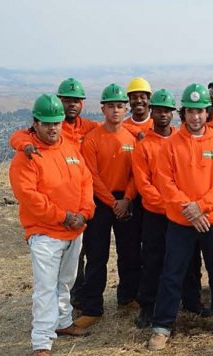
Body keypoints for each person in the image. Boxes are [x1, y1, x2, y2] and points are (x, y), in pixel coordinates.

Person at [148, 84, 213, 351]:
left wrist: (200, 208)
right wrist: (188, 210)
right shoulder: (171, 146)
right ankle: (162, 326)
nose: (196, 117)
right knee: (172, 273)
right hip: (181, 222)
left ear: (207, 113)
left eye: (200, 111)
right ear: (184, 113)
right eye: (191, 112)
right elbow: (164, 181)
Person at [9, 94, 95, 356]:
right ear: (34, 123)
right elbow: (30, 198)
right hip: (45, 233)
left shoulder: (69, 148)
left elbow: (85, 181)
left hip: (73, 230)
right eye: (46, 123)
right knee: (46, 288)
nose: (53, 128)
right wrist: (63, 216)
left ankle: (63, 321)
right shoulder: (26, 157)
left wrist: (84, 212)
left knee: (65, 281)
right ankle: (41, 342)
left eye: (56, 122)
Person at [132, 89, 208, 328]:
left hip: (184, 213)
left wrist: (183, 206)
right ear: (151, 112)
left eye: (167, 110)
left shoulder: (183, 139)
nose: (163, 114)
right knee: (153, 259)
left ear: (175, 113)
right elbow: (143, 184)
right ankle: (148, 306)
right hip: (157, 213)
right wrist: (169, 206)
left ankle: (192, 300)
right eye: (159, 110)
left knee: (190, 258)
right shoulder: (144, 144)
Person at [75, 84, 142, 328]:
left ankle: (127, 297)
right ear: (102, 108)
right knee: (96, 255)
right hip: (101, 202)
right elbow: (91, 175)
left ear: (126, 109)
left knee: (129, 253)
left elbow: (138, 173)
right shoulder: (92, 138)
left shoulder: (132, 138)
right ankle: (92, 307)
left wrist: (126, 199)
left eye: (120, 106)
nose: (116, 110)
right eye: (111, 106)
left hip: (126, 200)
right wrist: (112, 202)